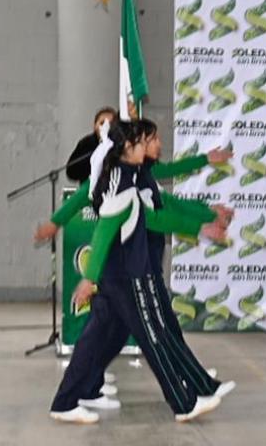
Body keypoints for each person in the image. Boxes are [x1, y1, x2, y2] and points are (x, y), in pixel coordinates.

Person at [49, 122, 226, 424]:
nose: (149, 146)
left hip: (122, 275)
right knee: (154, 336)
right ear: (127, 148)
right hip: (125, 276)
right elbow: (104, 233)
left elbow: (155, 217)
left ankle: (71, 398)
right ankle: (184, 402)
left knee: (103, 339)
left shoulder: (130, 177)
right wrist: (89, 279)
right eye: (144, 142)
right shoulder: (121, 184)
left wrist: (201, 224)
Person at [65, 106, 118, 183]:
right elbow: (71, 172)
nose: (106, 127)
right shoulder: (86, 143)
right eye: (102, 123)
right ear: (95, 126)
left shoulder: (120, 143)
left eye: (110, 123)